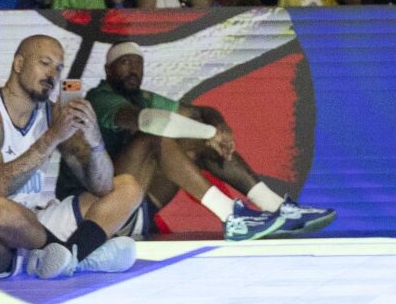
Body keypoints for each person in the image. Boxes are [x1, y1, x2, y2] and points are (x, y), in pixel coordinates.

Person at [0, 35, 142, 279]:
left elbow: (101, 186)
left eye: (58, 68)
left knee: (127, 187)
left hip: (33, 224)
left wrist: (94, 139)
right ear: (18, 64)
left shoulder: (51, 113)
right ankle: (78, 257)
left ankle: (68, 257)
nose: (52, 75)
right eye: (44, 63)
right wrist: (53, 137)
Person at [87, 40, 331, 240]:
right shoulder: (100, 97)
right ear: (108, 70)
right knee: (154, 137)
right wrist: (210, 133)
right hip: (106, 212)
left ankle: (275, 206)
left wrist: (219, 127)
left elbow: (201, 112)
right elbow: (150, 122)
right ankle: (231, 216)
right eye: (124, 62)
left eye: (138, 63)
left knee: (197, 141)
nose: (133, 69)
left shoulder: (144, 97)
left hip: (139, 207)